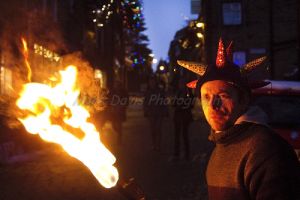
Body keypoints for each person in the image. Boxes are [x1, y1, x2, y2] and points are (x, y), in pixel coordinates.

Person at [177, 39, 300, 199]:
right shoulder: (222, 145)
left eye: (223, 95)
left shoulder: (265, 151)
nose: (213, 105)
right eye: (206, 97)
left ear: (243, 100)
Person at [170, 79, 195, 161]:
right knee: (177, 135)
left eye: (183, 84)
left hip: (185, 116)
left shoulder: (189, 94)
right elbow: (173, 104)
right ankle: (176, 154)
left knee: (184, 135)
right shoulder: (177, 93)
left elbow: (191, 105)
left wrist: (183, 105)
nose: (181, 85)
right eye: (180, 84)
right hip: (178, 116)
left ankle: (186, 154)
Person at [143, 77, 168, 151]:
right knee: (153, 130)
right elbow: (145, 103)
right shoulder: (148, 92)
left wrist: (165, 111)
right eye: (150, 82)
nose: (152, 84)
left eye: (153, 82)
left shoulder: (160, 91)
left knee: (158, 129)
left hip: (159, 112)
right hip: (151, 113)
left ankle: (158, 145)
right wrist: (146, 111)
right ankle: (154, 144)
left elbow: (164, 101)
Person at [108, 80, 129, 145]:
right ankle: (119, 133)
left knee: (119, 126)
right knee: (113, 125)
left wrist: (123, 106)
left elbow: (126, 100)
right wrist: (110, 106)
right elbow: (109, 99)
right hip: (114, 112)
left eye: (117, 84)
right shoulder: (112, 91)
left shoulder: (123, 92)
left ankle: (119, 140)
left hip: (120, 112)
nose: (116, 85)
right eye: (115, 84)